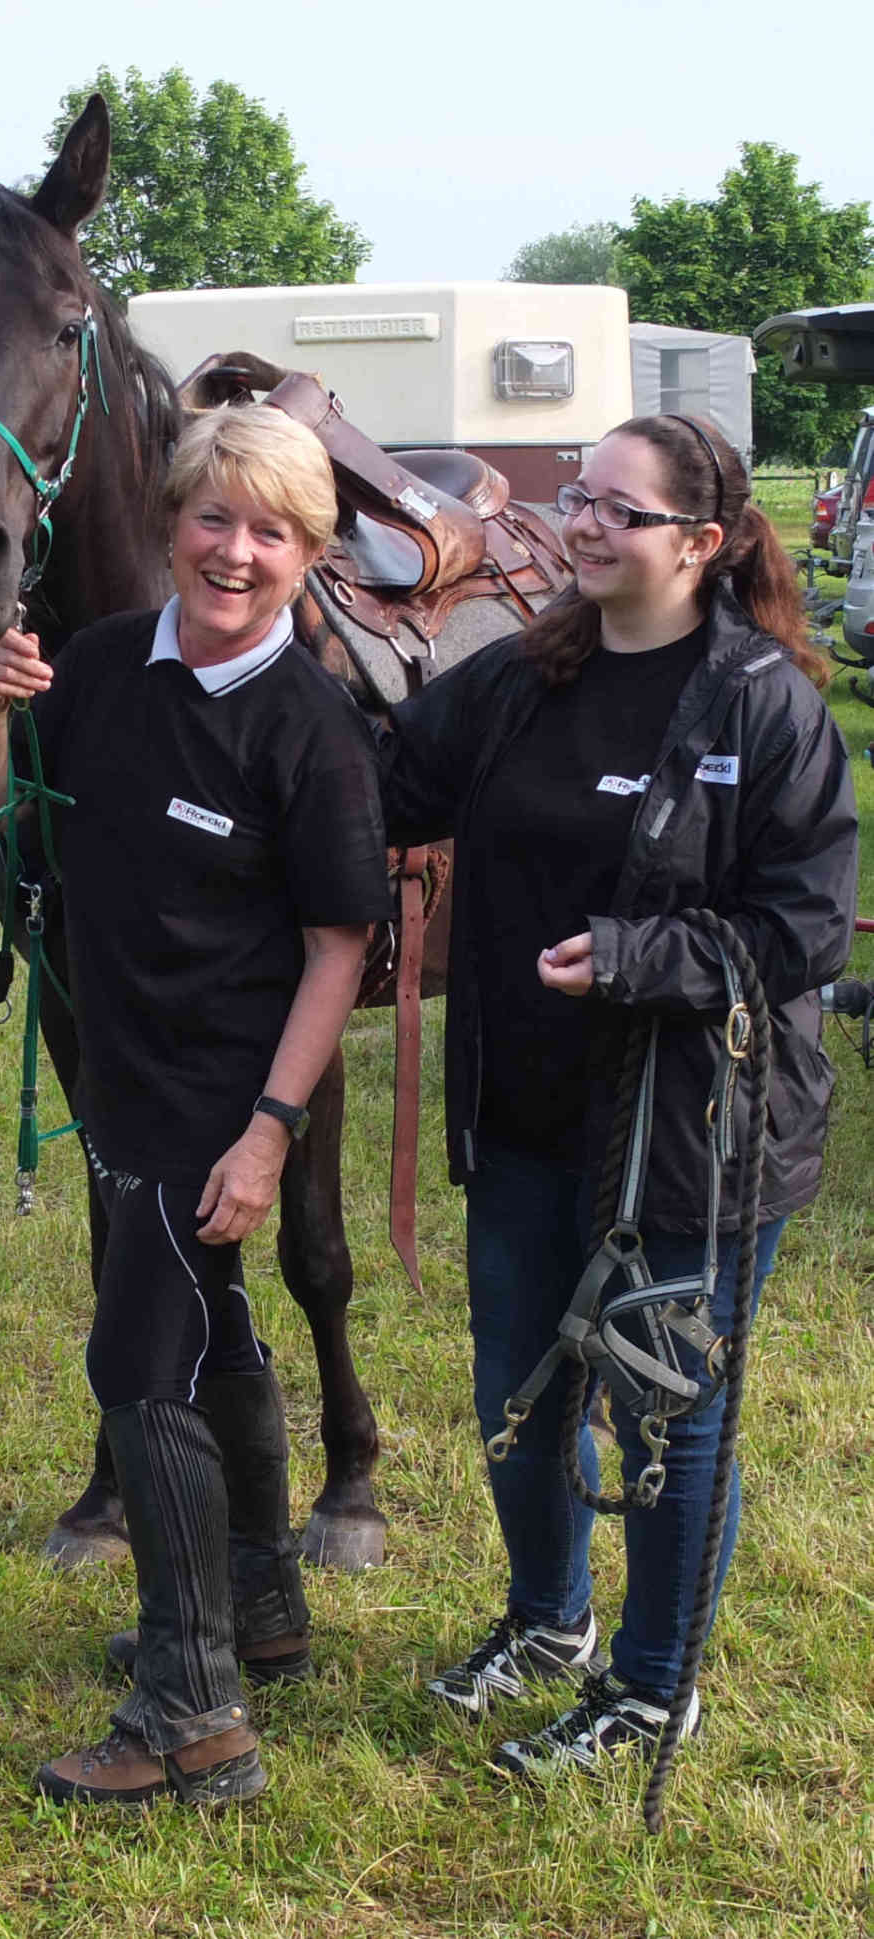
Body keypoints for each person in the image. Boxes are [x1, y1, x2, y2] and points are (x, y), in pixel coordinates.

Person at [375, 414, 858, 1780]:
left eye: (616, 509)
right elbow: (384, 774)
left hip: (693, 1140)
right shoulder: (526, 677)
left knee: (662, 1411)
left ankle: (655, 1683)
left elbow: (806, 925)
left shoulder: (762, 702)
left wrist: (650, 956)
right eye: (576, 495)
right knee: (517, 1398)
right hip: (525, 1119)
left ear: (701, 543)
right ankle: (548, 1619)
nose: (580, 523)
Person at [0, 403, 390, 1807]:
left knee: (144, 1367)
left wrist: (268, 1127)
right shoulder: (95, 664)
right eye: (213, 517)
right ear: (170, 523)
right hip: (121, 1076)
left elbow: (338, 946)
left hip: (221, 1095)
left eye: (272, 530)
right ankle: (260, 1601)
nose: (236, 551)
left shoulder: (309, 725)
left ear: (310, 551)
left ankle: (192, 1711)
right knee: (220, 1331)